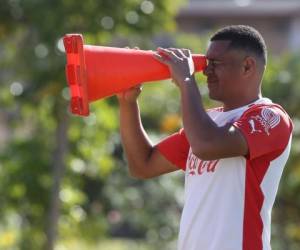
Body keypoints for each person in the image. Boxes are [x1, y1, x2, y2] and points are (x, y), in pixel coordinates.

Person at [117, 25, 293, 250]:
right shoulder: (207, 123)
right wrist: (128, 102)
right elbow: (143, 165)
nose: (206, 71)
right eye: (206, 63)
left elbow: (206, 145)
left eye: (215, 64)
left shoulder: (271, 117)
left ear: (247, 66)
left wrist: (186, 81)